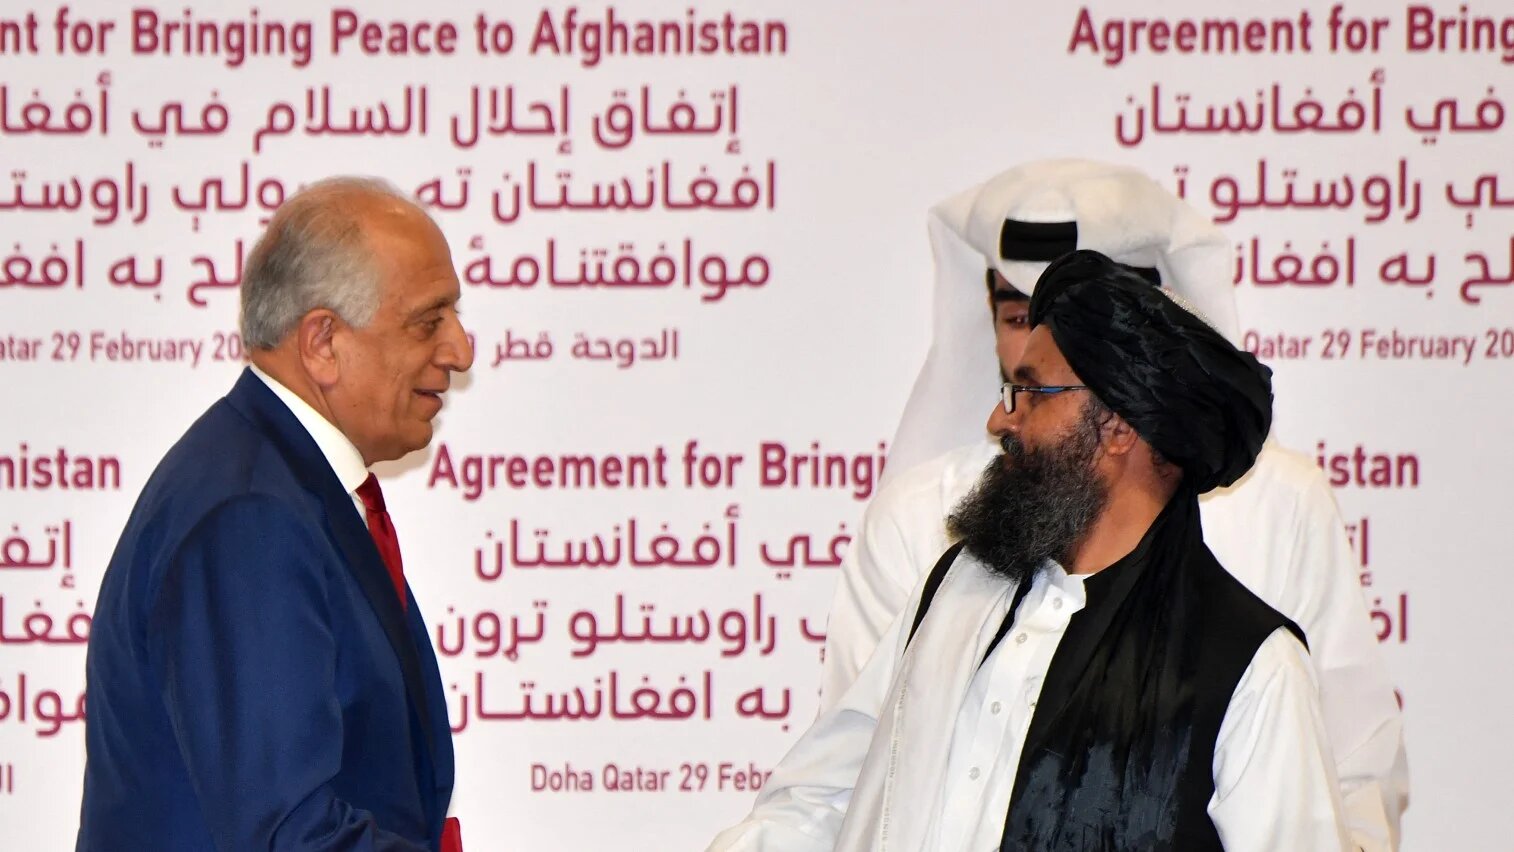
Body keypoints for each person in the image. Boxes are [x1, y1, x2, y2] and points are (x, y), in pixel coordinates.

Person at [820, 159, 1405, 849]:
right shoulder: (951, 549)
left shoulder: (1277, 545)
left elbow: (1347, 776)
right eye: (1015, 314)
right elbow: (845, 785)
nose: (1028, 348)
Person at [710, 250, 1348, 851]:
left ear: (1119, 425)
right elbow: (825, 798)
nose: (999, 419)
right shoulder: (959, 588)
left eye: (1030, 391)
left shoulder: (1249, 666)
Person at [77, 177, 472, 851]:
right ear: (321, 343)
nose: (460, 352)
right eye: (428, 322)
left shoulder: (276, 486)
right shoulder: (251, 517)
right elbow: (289, 836)